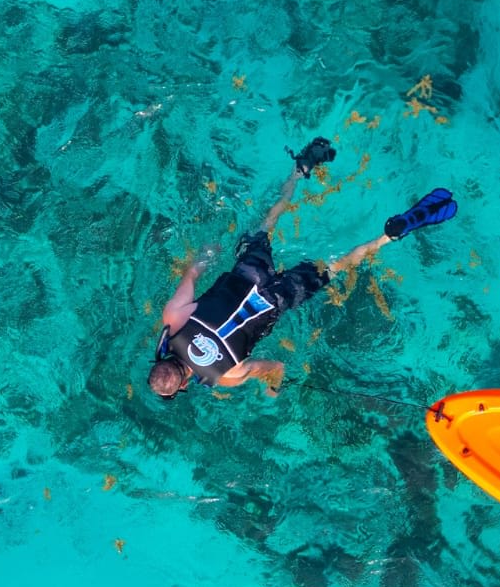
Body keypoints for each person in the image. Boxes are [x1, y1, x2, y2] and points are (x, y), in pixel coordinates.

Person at [148, 137, 457, 401]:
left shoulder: (229, 375)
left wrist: (274, 389)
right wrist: (209, 251)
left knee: (336, 267)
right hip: (248, 273)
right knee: (267, 222)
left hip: (277, 300)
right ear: (161, 356)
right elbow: (194, 270)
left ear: (185, 383)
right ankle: (299, 171)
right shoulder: (173, 319)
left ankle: (387, 237)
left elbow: (277, 368)